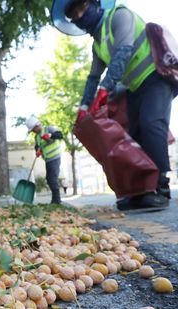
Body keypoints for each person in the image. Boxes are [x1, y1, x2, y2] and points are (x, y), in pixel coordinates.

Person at [52, 0, 177, 210]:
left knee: (151, 123)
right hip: (134, 88)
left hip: (155, 76)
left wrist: (105, 89)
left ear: (95, 4)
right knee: (134, 134)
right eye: (75, 14)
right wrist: (83, 108)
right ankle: (141, 189)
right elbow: (93, 77)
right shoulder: (97, 44)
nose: (80, 15)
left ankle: (160, 186)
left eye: (82, 7)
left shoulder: (120, 16)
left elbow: (123, 52)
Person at [26, 116, 64, 204]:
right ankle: (55, 200)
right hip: (48, 160)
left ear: (37, 126)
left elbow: (60, 135)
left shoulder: (48, 129)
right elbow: (37, 146)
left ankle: (57, 200)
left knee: (52, 179)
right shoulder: (37, 137)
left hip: (55, 157)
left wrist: (51, 135)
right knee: (49, 179)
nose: (33, 132)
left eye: (33, 130)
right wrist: (38, 151)